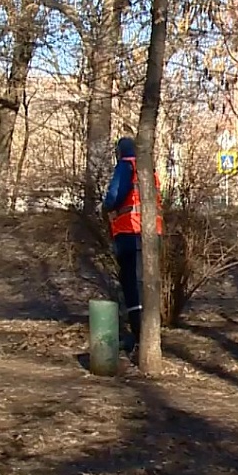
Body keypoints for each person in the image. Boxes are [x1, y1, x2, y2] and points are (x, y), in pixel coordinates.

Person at [100, 136, 163, 354]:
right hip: (152, 234)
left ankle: (138, 337)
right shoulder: (149, 169)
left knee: (131, 284)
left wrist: (106, 206)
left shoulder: (125, 166)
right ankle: (148, 335)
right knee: (146, 284)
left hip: (130, 232)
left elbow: (114, 197)